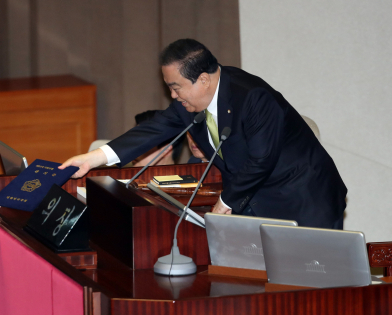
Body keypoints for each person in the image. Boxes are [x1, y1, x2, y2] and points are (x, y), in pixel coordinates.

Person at [60, 39, 347, 229]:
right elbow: (154, 128)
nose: (172, 94)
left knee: (313, 298)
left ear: (204, 80)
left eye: (176, 87)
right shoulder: (189, 103)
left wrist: (225, 202)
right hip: (254, 197)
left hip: (304, 198)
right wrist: (93, 158)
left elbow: (261, 160)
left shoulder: (253, 97)